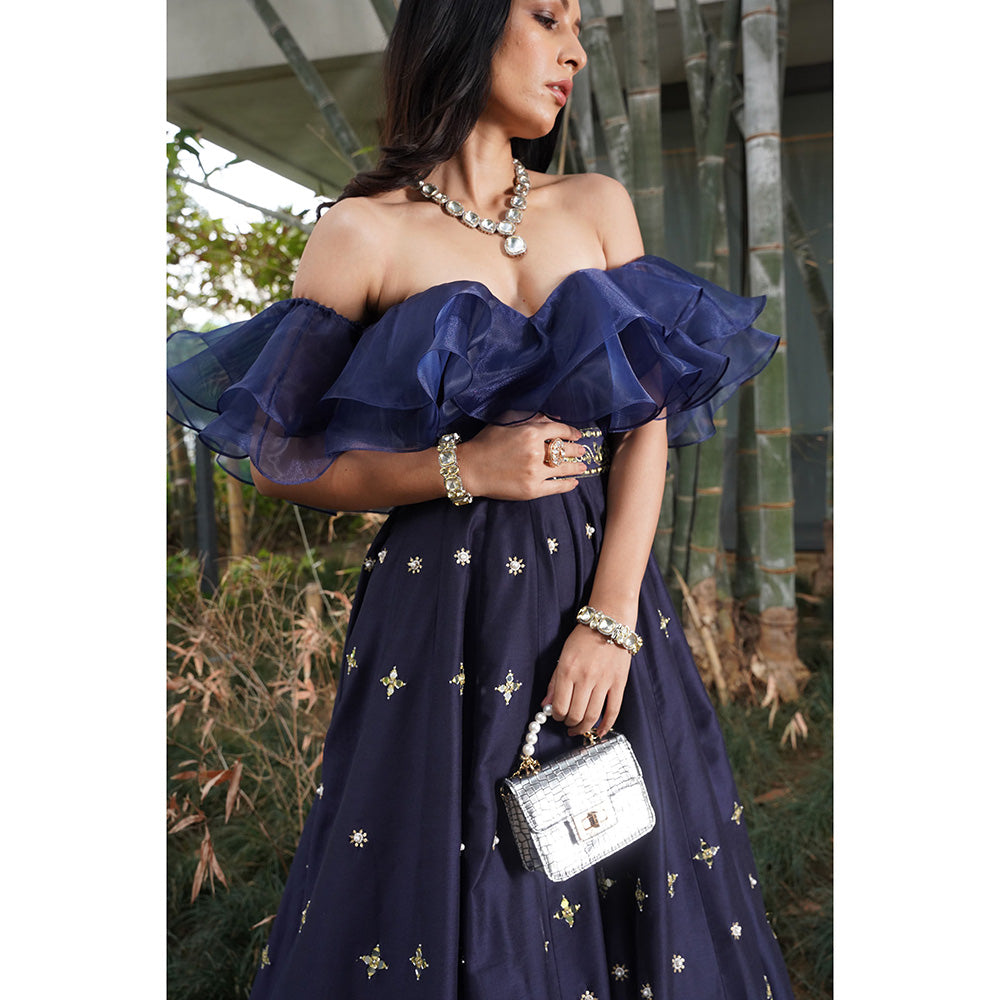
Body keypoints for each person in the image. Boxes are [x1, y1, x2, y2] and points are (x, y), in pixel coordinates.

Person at [167, 1, 796, 997]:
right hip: (440, 618)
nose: (574, 50)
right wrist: (464, 467)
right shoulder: (363, 234)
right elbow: (283, 460)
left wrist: (611, 620)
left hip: (606, 594)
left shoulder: (595, 206)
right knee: (457, 882)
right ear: (461, 22)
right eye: (547, 17)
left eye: (578, 25)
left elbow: (647, 423)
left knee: (632, 854)